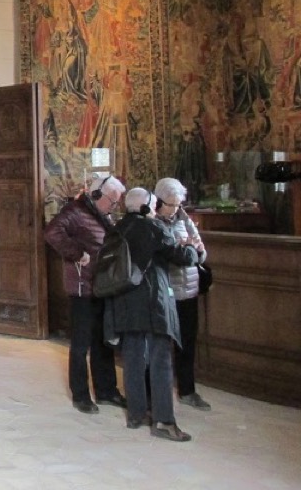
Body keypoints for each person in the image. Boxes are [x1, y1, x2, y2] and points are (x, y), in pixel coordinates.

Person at [104, 187, 199, 441]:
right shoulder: (154, 228)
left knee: (133, 357)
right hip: (152, 300)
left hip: (125, 300)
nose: (156, 209)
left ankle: (136, 414)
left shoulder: (117, 227)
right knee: (161, 360)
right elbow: (180, 256)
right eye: (154, 205)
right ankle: (164, 421)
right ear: (146, 207)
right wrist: (192, 247)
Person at [44, 174, 128, 414]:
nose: (113, 206)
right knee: (81, 344)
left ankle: (106, 391)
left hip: (102, 285)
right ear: (97, 194)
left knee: (104, 340)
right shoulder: (75, 211)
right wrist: (76, 253)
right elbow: (52, 233)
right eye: (112, 201)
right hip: (82, 287)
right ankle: (80, 395)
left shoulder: (101, 214)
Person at [153, 177, 211, 411]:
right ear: (158, 201)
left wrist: (194, 249)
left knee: (187, 343)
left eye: (178, 204)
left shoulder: (184, 218)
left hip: (189, 290)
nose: (176, 209)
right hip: (165, 293)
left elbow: (201, 251)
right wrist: (184, 250)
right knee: (162, 346)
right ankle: (160, 394)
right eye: (171, 204)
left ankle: (188, 390)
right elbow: (164, 256)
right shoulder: (152, 222)